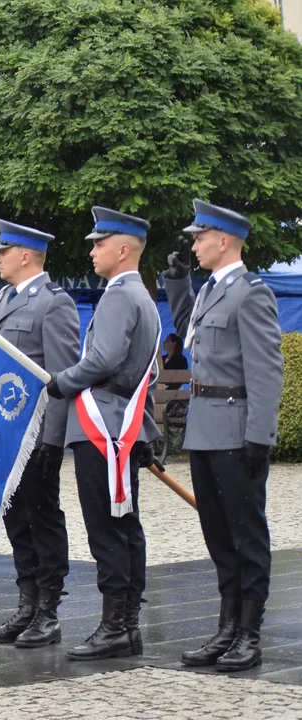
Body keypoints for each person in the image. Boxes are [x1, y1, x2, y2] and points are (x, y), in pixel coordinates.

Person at [162, 200, 283, 672]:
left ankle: (249, 633)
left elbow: (266, 368)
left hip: (235, 428)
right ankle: (227, 627)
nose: (194, 245)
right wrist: (177, 285)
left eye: (199, 238)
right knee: (217, 535)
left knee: (245, 535)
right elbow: (188, 334)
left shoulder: (250, 293)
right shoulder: (212, 290)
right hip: (206, 428)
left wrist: (261, 435)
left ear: (224, 240)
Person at [46, 207, 160, 661]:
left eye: (99, 243)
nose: (91, 251)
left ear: (123, 249)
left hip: (102, 423)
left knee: (107, 528)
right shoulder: (142, 296)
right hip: (122, 422)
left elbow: (104, 360)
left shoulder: (118, 296)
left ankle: (116, 626)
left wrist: (61, 382)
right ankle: (126, 623)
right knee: (125, 526)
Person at [0, 221, 80, 648]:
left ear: (26, 255)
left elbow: (62, 375)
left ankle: (48, 610)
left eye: (3, 252)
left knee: (42, 517)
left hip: (35, 434)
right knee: (16, 518)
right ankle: (26, 605)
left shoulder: (54, 304)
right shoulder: (4, 301)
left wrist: (53, 437)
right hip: (5, 433)